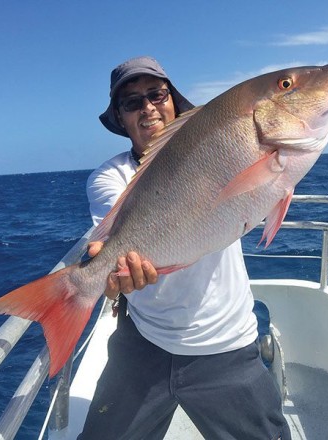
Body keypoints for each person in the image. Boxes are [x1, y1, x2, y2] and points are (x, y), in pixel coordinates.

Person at [79, 56, 290, 440]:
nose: (147, 107)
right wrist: (107, 275)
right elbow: (110, 242)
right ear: (121, 117)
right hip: (144, 342)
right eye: (132, 102)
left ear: (172, 99)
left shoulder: (223, 144)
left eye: (156, 94)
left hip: (226, 343)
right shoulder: (109, 178)